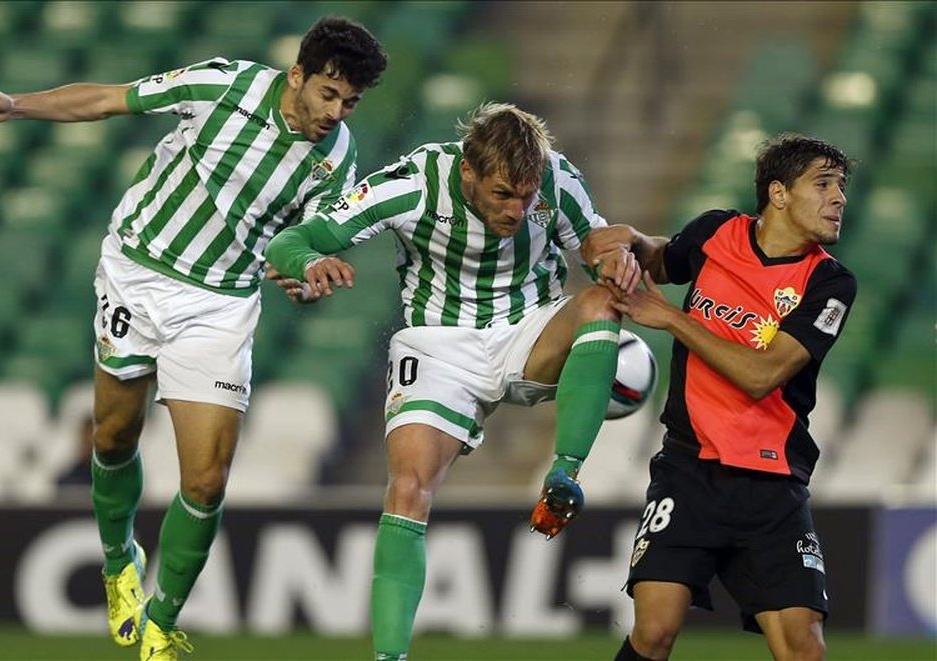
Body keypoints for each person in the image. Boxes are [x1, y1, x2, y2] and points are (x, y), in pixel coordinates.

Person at [0, 17, 386, 661]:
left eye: (350, 102)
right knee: (112, 435)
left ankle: (160, 624)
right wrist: (17, 106)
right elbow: (108, 99)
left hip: (220, 305)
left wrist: (303, 276)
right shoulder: (222, 86)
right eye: (328, 93)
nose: (336, 112)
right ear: (296, 75)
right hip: (137, 274)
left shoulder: (337, 157)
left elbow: (291, 247)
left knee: (208, 479)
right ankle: (116, 562)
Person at [266, 102, 641, 660]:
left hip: (529, 329)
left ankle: (564, 475)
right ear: (468, 171)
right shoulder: (412, 183)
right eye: (503, 195)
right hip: (438, 345)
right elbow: (291, 242)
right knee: (408, 489)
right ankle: (389, 657)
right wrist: (307, 265)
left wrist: (616, 260)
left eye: (527, 196)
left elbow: (594, 245)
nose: (518, 210)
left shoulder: (559, 177)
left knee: (599, 303)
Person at [605, 133, 856, 661]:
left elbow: (762, 374)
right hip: (688, 470)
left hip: (772, 486)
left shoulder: (829, 283)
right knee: (652, 631)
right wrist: (619, 242)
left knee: (803, 647)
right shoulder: (715, 232)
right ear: (779, 193)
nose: (839, 198)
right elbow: (656, 259)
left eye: (842, 187)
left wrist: (672, 318)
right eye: (825, 184)